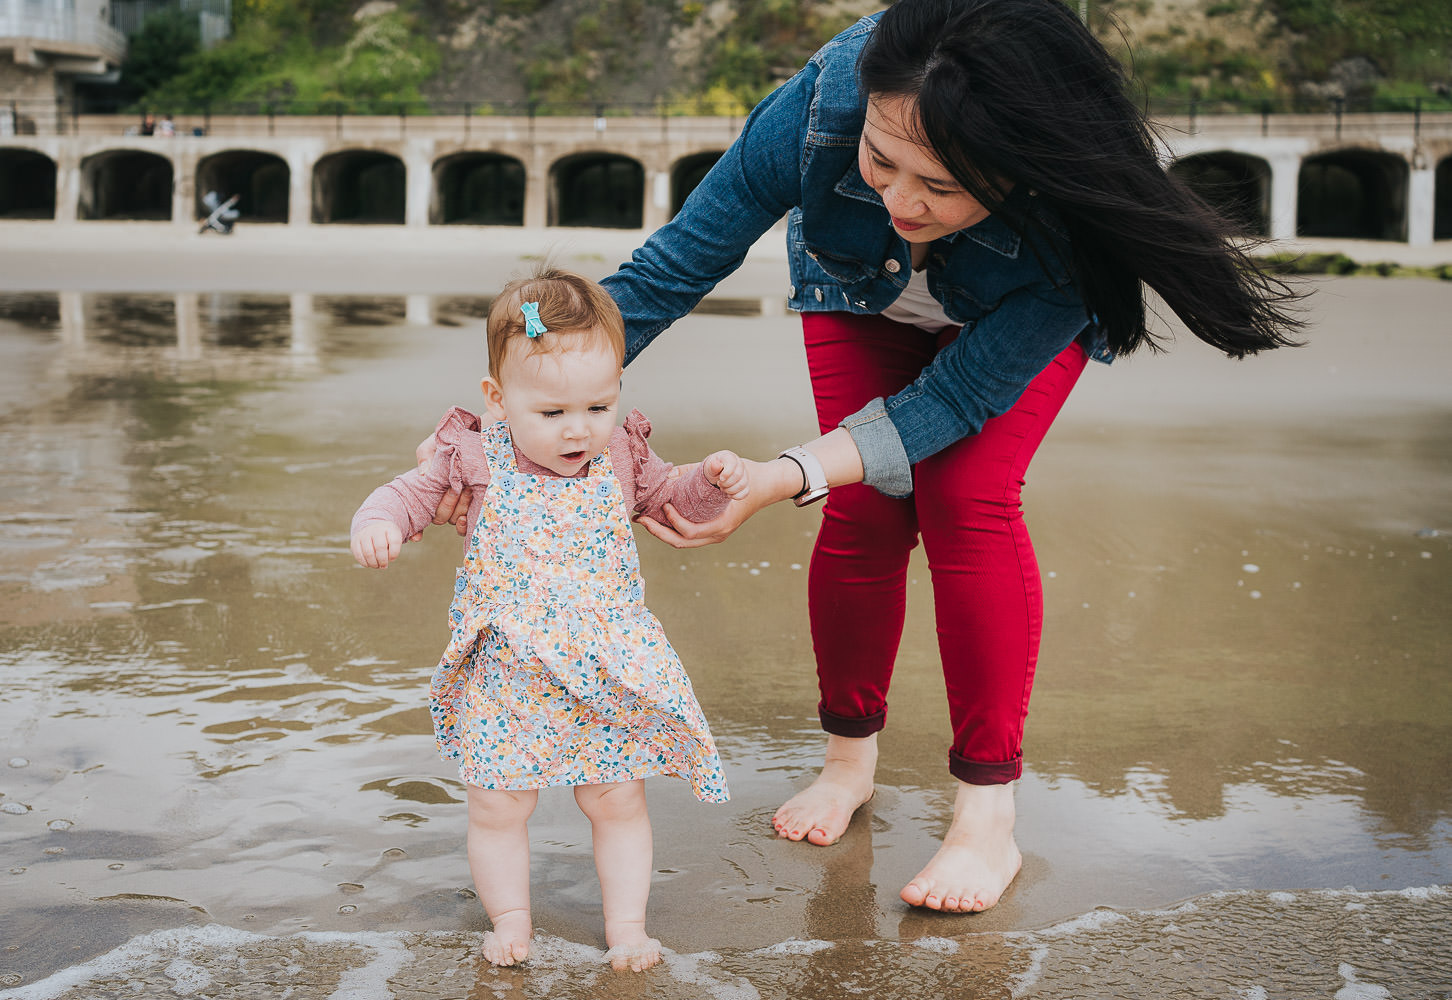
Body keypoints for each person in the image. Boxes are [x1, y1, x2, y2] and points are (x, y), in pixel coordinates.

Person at [430, 0, 1305, 916]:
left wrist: (784, 475)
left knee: (966, 498)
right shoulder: (824, 104)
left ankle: (986, 814)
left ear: (1024, 173)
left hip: (1001, 323)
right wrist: (486, 434)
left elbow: (956, 401)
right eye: (880, 163)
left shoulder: (1072, 225)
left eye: (941, 185)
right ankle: (848, 761)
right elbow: (668, 272)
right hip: (860, 296)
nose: (898, 201)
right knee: (865, 508)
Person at [351, 268, 747, 969]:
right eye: (554, 412)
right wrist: (377, 522)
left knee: (616, 798)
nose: (578, 429)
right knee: (499, 806)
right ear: (497, 401)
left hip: (603, 667)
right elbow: (406, 495)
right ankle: (509, 919)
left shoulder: (621, 454)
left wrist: (711, 484)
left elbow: (671, 499)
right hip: (510, 670)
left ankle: (627, 925)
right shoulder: (473, 454)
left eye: (598, 405)